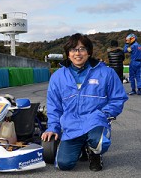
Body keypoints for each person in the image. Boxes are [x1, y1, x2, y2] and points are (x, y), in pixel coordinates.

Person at [41, 33, 128, 171]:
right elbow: (54, 105)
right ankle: (82, 147)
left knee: (98, 142)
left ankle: (95, 153)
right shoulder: (58, 76)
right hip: (72, 125)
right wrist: (53, 127)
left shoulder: (106, 72)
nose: (78, 53)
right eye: (73, 49)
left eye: (82, 49)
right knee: (64, 164)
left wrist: (104, 115)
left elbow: (118, 98)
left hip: (95, 121)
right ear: (68, 53)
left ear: (89, 51)